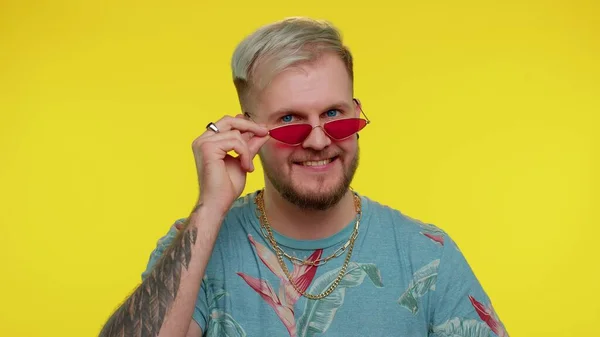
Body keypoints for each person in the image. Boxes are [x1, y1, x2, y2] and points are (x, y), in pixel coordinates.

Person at [99, 17, 509, 337]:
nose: (318, 140)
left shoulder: (427, 255)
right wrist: (209, 209)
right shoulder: (195, 247)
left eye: (334, 114)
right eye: (290, 120)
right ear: (248, 131)